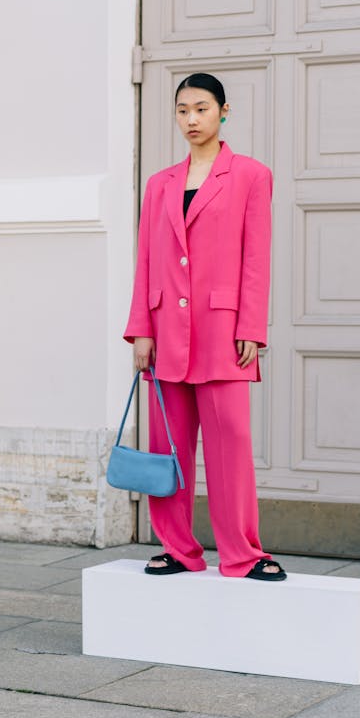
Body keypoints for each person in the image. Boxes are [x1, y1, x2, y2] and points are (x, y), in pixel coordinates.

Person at [123, 73, 287, 582]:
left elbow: (256, 258)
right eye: (182, 111)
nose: (191, 120)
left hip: (223, 331)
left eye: (201, 109)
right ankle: (178, 548)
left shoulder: (250, 176)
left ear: (223, 112)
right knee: (167, 446)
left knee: (230, 443)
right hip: (165, 331)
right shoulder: (160, 184)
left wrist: (251, 328)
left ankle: (242, 553)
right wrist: (141, 329)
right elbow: (147, 258)